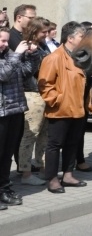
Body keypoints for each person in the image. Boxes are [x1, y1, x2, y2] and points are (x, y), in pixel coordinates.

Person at [37, 21, 88, 193]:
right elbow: (45, 84)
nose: (84, 39)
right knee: (54, 145)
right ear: (70, 38)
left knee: (72, 143)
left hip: (77, 109)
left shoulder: (80, 56)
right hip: (60, 110)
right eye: (82, 36)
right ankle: (52, 179)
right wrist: (57, 99)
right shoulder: (54, 58)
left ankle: (67, 175)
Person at [0, 27, 34, 208]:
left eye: (6, 41)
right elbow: (3, 75)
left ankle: (4, 189)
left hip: (14, 111)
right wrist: (17, 54)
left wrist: (30, 55)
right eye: (2, 41)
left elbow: (27, 73)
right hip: (1, 114)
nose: (5, 45)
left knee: (7, 155)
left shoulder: (8, 56)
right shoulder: (10, 57)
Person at [17, 16, 49, 186]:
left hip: (45, 95)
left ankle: (41, 167)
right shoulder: (26, 47)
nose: (46, 34)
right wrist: (34, 55)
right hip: (31, 95)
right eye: (43, 32)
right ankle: (26, 173)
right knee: (31, 134)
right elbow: (25, 73)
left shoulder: (43, 46)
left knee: (45, 134)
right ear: (34, 31)